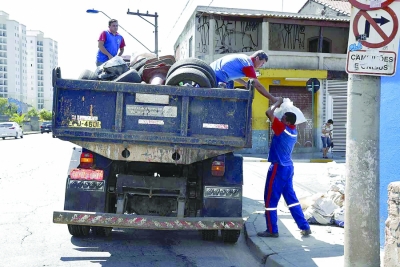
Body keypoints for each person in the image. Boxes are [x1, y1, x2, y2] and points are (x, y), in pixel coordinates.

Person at [257, 97, 311, 238]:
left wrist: (277, 103)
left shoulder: (282, 128)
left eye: (283, 118)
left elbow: (269, 113)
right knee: (291, 200)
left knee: (270, 200)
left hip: (278, 168)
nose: (280, 119)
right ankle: (304, 226)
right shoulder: (293, 131)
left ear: (287, 122)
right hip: (288, 168)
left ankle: (272, 230)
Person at [209, 50, 277, 102]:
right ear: (257, 58)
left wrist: (244, 83)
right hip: (217, 76)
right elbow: (258, 85)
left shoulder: (244, 59)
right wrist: (272, 98)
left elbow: (231, 75)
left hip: (211, 71)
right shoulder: (248, 65)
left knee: (229, 83)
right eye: (262, 63)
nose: (261, 66)